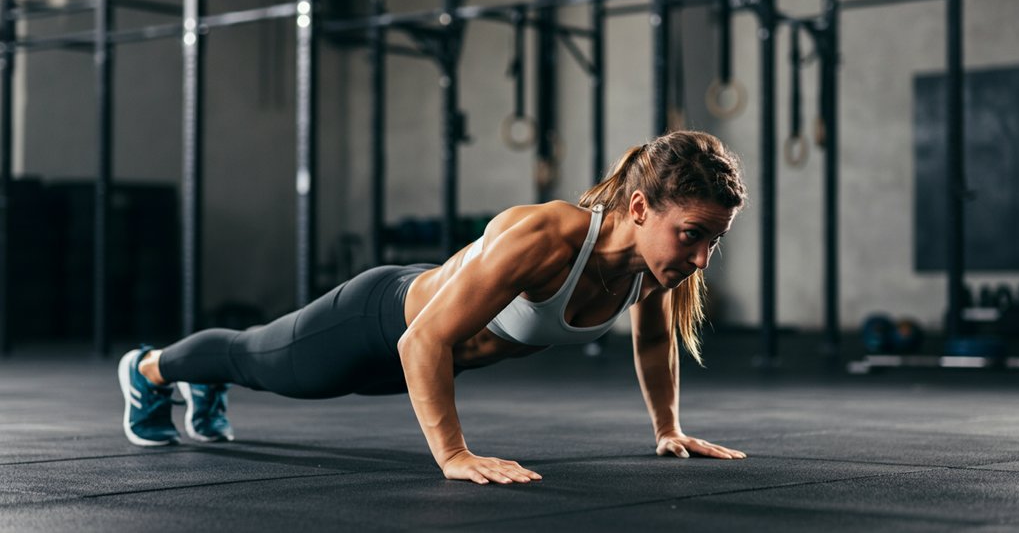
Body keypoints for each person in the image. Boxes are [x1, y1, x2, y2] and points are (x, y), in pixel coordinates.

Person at [118, 130, 749, 485]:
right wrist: (453, 455)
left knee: (265, 368)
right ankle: (148, 371)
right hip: (380, 321)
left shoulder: (655, 263)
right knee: (259, 358)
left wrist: (667, 430)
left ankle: (203, 385)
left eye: (712, 242)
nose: (700, 259)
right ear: (639, 209)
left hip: (423, 363)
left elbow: (653, 340)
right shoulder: (545, 237)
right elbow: (421, 341)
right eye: (692, 234)